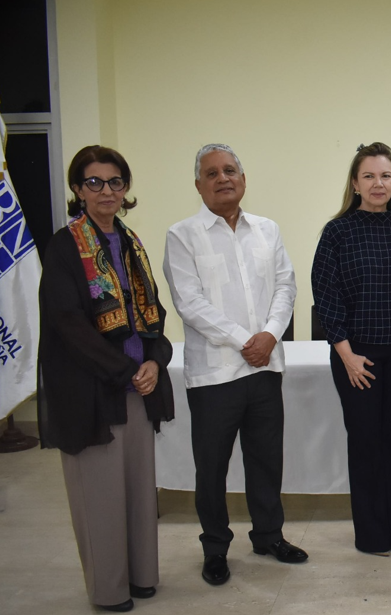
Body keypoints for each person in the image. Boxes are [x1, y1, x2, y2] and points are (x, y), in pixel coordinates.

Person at [38, 145, 174, 612]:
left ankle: (141, 576)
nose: (106, 191)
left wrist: (155, 361)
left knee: (138, 492)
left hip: (140, 387)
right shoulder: (64, 245)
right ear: (78, 189)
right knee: (98, 497)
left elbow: (150, 313)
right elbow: (66, 321)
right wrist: (125, 370)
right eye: (94, 182)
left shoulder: (131, 242)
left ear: (126, 188)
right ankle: (108, 589)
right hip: (93, 391)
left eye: (115, 181)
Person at [163, 143, 306, 586]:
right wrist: (248, 340)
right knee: (213, 468)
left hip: (265, 369)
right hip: (214, 375)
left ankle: (268, 536)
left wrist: (270, 335)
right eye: (212, 173)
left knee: (266, 460)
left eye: (230, 170)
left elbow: (286, 285)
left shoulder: (267, 229)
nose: (223, 178)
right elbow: (189, 303)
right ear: (198, 185)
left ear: (243, 180)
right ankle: (215, 548)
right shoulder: (182, 235)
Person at [311, 142, 391, 555]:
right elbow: (325, 296)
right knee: (365, 443)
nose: (378, 183)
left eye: (385, 176)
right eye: (369, 176)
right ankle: (371, 535)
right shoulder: (338, 231)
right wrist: (344, 353)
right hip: (356, 354)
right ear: (355, 183)